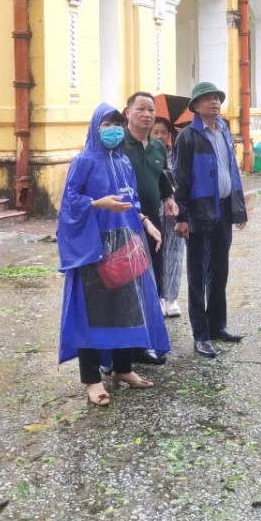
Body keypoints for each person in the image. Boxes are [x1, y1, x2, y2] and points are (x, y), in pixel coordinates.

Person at [57, 104, 170, 406]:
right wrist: (98, 203)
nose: (115, 129)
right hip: (94, 247)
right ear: (96, 127)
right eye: (108, 124)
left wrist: (146, 224)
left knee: (127, 309)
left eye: (118, 124)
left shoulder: (123, 162)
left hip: (125, 244)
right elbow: (69, 203)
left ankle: (122, 369)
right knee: (92, 314)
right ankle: (92, 379)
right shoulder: (83, 161)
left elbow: (131, 200)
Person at [173, 81, 248, 359]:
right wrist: (182, 216)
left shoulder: (225, 129)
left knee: (220, 271)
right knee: (197, 275)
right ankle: (200, 334)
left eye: (217, 97)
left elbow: (232, 170)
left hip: (224, 208)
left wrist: (239, 209)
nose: (214, 102)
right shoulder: (188, 136)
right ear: (195, 106)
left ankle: (218, 326)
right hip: (198, 212)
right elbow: (180, 178)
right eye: (207, 98)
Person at [122, 91, 178, 362]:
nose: (146, 114)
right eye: (140, 109)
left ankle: (144, 344)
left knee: (151, 281)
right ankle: (123, 349)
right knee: (125, 283)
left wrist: (168, 198)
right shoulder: (118, 144)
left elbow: (161, 176)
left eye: (150, 110)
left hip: (153, 223)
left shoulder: (158, 146)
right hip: (123, 224)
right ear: (128, 113)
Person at [151, 117, 185, 318]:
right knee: (156, 255)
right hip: (154, 213)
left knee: (174, 255)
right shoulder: (148, 154)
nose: (160, 136)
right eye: (155, 132)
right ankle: (159, 297)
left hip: (173, 213)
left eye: (163, 132)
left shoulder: (178, 155)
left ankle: (172, 298)